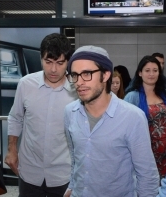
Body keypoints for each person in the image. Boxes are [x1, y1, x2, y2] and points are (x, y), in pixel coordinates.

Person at [64, 45, 159, 197]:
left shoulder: (132, 117)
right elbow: (76, 159)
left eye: (87, 73)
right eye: (74, 75)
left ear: (106, 75)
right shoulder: (70, 112)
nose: (79, 82)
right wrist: (71, 186)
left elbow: (147, 176)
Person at [4, 33, 77, 197]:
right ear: (40, 58)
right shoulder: (26, 84)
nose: (53, 69)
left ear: (68, 62)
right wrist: (12, 149)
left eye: (60, 63)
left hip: (63, 173)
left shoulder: (77, 90)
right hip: (29, 170)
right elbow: (16, 117)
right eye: (48, 62)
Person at [124, 55, 166, 180]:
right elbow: (123, 128)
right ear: (140, 73)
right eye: (147, 70)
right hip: (143, 154)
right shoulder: (132, 97)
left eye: (155, 70)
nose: (151, 74)